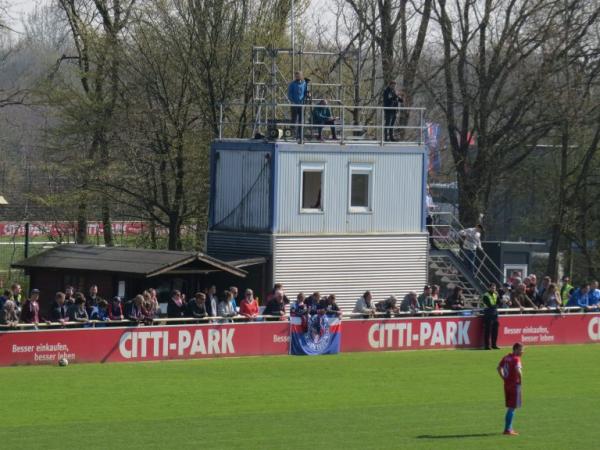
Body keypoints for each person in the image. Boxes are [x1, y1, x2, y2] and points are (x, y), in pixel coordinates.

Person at [497, 342, 524, 436]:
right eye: (521, 349)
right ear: (516, 349)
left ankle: (509, 428)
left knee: (510, 407)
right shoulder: (516, 359)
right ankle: (508, 429)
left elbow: (498, 368)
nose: (522, 352)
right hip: (514, 385)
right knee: (512, 408)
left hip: (507, 385)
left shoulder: (506, 357)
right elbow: (518, 371)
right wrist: (520, 381)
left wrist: (503, 377)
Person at [287, 71, 308, 139]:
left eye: (298, 75)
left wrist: (307, 95)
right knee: (294, 119)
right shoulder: (292, 84)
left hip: (301, 104)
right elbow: (289, 93)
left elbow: (305, 92)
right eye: (296, 76)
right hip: (294, 104)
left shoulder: (304, 83)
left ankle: (300, 135)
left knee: (301, 120)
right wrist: (292, 101)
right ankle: (292, 134)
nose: (297, 77)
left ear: (301, 76)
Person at [482, 283, 500, 350]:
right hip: (488, 313)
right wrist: (496, 306)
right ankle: (487, 345)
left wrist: (498, 296)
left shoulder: (495, 295)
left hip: (495, 313)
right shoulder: (485, 295)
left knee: (495, 330)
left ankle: (494, 344)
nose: (494, 289)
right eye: (492, 288)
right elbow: (489, 305)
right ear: (489, 288)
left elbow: (499, 303)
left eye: (494, 288)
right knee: (488, 330)